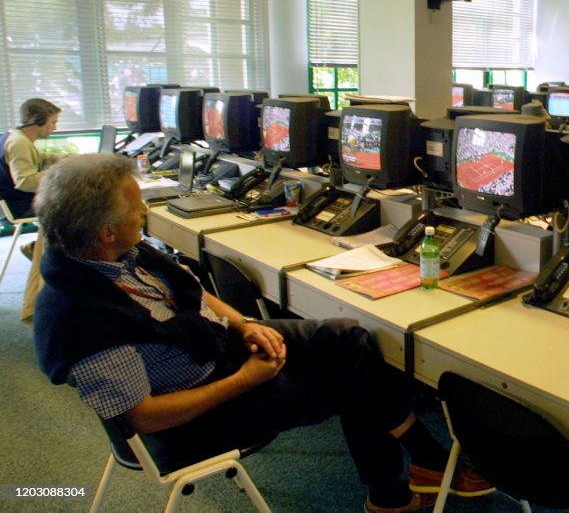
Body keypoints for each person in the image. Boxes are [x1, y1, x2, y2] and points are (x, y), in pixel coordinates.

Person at [32, 154, 491, 513]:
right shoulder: (82, 316)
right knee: (353, 381)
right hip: (201, 415)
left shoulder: (116, 259)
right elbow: (146, 418)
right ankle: (393, 493)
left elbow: (193, 293)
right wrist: (245, 379)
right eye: (137, 209)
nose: (145, 213)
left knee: (352, 338)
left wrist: (245, 322)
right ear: (107, 231)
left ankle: (423, 462)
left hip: (219, 349)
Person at [1, 98, 64, 323]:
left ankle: (38, 249)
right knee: (76, 208)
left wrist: (57, 159)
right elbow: (25, 181)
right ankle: (54, 261)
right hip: (20, 205)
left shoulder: (16, 137)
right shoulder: (19, 143)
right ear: (37, 120)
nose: (54, 128)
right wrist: (60, 173)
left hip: (15, 201)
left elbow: (32, 163)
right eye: (52, 122)